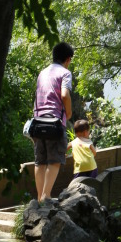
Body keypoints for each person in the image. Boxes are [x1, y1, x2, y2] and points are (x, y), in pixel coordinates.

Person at [32, 41, 74, 201]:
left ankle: (39, 199)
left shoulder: (42, 72)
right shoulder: (65, 73)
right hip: (55, 122)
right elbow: (64, 94)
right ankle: (46, 196)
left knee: (40, 161)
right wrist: (68, 112)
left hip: (38, 121)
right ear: (68, 59)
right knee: (54, 160)